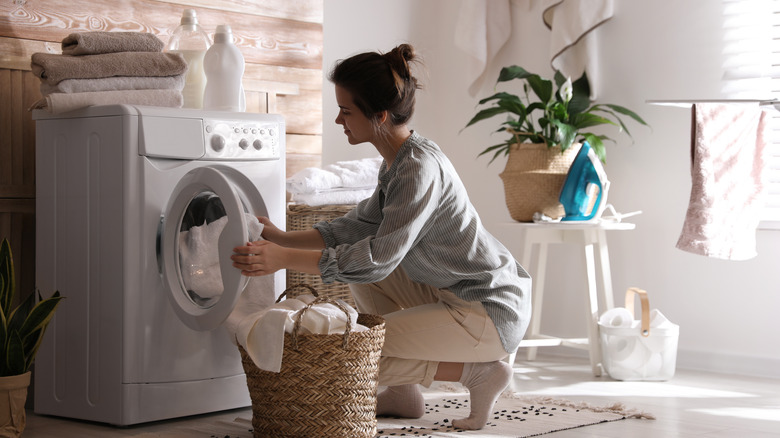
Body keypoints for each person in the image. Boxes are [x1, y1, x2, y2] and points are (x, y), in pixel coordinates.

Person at [231, 43, 531, 431]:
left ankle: (479, 373)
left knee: (357, 349)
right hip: (459, 292)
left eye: (346, 110)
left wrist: (282, 259)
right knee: (369, 277)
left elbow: (377, 258)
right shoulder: (399, 160)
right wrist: (283, 238)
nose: (339, 119)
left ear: (380, 115)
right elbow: (355, 228)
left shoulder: (417, 169)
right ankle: (404, 394)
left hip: (488, 310)